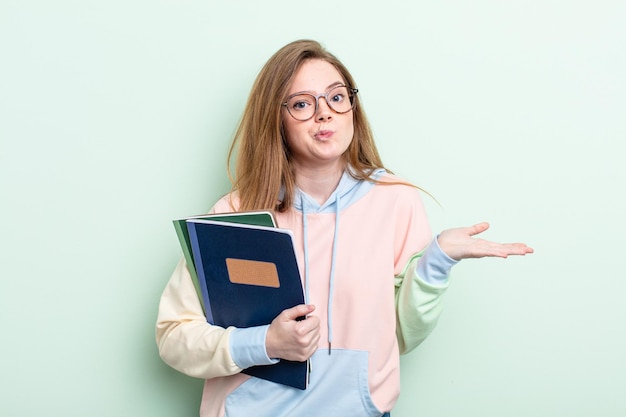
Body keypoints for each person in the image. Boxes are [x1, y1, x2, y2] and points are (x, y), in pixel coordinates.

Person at [156, 39, 533, 417]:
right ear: (276, 118)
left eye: (337, 98)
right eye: (302, 104)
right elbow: (173, 337)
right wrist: (266, 343)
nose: (324, 114)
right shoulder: (238, 211)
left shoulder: (396, 201)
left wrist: (437, 260)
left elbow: (401, 334)